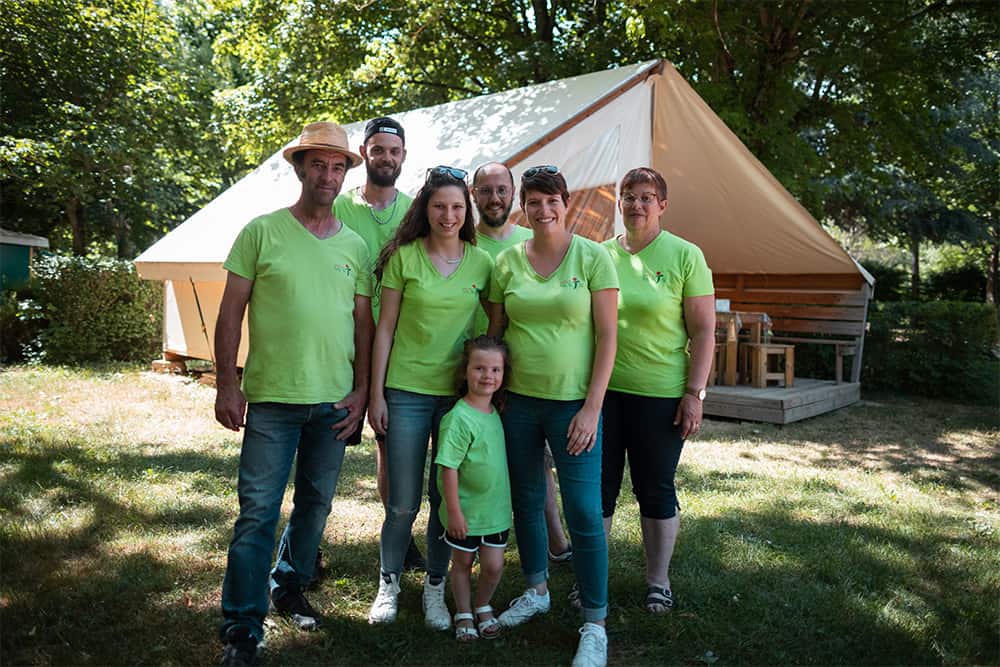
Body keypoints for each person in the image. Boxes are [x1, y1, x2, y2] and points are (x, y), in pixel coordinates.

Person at [214, 122, 373, 667]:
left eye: (338, 167)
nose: (328, 176)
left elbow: (363, 327)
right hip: (273, 402)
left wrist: (361, 390)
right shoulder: (261, 232)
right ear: (300, 167)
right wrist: (227, 383)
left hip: (332, 402)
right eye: (318, 165)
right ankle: (241, 625)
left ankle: (289, 585)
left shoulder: (355, 245)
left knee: (315, 504)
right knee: (257, 512)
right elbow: (230, 311)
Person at [486, 165, 618, 667]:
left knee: (584, 511)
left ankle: (595, 622)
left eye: (553, 200)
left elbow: (608, 337)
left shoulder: (593, 256)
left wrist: (592, 406)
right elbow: (496, 332)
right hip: (518, 403)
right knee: (527, 499)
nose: (544, 210)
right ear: (524, 205)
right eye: (535, 202)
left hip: (573, 407)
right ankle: (537, 590)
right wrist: (493, 395)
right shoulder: (507, 262)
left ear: (566, 202)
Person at [366, 166, 494, 631]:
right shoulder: (405, 257)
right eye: (440, 205)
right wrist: (376, 394)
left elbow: (495, 326)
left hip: (456, 399)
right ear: (426, 208)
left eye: (458, 207)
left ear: (468, 212)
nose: (448, 214)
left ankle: (436, 589)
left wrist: (485, 383)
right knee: (402, 502)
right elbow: (385, 329)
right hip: (405, 392)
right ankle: (390, 584)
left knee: (444, 500)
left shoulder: (481, 263)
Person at [601, 167, 714, 613]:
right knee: (599, 489)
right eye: (628, 196)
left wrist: (695, 393)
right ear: (619, 202)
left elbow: (705, 332)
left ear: (662, 205)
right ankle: (594, 577)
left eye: (647, 197)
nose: (636, 204)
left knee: (655, 488)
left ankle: (658, 581)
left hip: (661, 395)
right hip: (604, 395)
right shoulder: (601, 255)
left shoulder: (686, 256)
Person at [334, 116, 425, 571]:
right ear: (364, 155)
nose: (386, 158)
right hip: (345, 342)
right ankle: (306, 544)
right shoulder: (340, 207)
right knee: (330, 443)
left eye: (394, 151)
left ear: (403, 156)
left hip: (397, 344)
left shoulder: (417, 211)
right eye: (378, 150)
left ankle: (401, 534)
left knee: (391, 443)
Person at [470, 162, 572, 563]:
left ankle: (556, 539)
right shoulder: (462, 239)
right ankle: (475, 542)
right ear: (473, 194)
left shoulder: (538, 236)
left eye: (502, 190)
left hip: (522, 373)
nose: (495, 198)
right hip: (469, 368)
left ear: (513, 194)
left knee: (538, 463)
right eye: (485, 190)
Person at [435, 336, 512, 641]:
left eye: (495, 369)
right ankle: (464, 611)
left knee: (493, 567)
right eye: (479, 368)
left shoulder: (497, 413)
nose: (487, 376)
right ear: (465, 371)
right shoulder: (457, 418)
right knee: (463, 563)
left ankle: (483, 604)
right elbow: (448, 468)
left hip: (495, 511)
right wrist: (454, 512)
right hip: (465, 512)